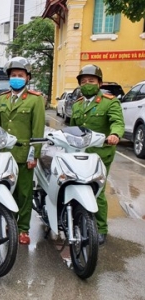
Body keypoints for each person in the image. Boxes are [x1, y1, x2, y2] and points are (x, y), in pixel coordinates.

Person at [70, 64, 124, 245]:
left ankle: (100, 228)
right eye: (83, 81)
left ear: (99, 83)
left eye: (91, 81)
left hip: (100, 154)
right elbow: (72, 128)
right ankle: (79, 219)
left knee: (96, 190)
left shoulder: (110, 102)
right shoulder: (77, 104)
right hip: (79, 153)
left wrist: (115, 134)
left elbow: (117, 122)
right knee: (75, 185)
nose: (87, 84)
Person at [0, 57, 45, 245]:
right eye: (13, 75)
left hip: (24, 154)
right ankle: (10, 222)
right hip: (5, 154)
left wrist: (34, 154)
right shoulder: (3, 98)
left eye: (20, 75)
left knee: (24, 193)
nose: (16, 78)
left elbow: (37, 130)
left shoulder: (35, 100)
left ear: (27, 78)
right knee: (7, 190)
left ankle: (23, 228)